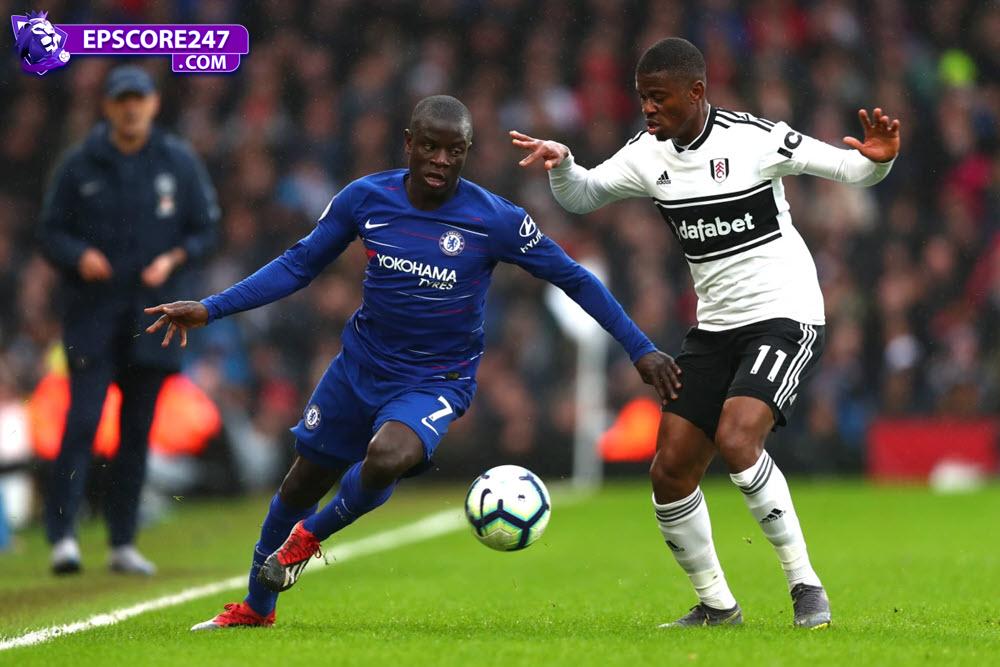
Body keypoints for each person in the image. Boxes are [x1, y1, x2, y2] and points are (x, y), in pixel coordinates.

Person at [144, 95, 680, 631]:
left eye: (454, 151)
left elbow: (576, 279)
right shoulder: (364, 198)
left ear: (467, 152)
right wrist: (211, 308)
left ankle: (308, 538)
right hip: (358, 368)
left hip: (435, 379)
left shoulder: (494, 219)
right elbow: (298, 265)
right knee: (299, 484)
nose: (441, 160)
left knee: (388, 455)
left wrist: (640, 347)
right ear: (409, 143)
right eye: (430, 146)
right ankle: (256, 609)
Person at [511, 37, 900, 629]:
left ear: (697, 92)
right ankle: (718, 606)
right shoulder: (646, 153)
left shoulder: (754, 139)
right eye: (642, 98)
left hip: (784, 312)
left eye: (659, 98)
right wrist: (563, 164)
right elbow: (584, 195)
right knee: (669, 472)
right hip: (715, 326)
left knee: (740, 439)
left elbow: (850, 167)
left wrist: (882, 159)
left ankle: (805, 586)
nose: (647, 110)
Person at [38, 65, 220, 575]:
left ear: (154, 104)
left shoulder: (177, 162)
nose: (131, 107)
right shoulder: (81, 164)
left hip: (153, 317)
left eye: (139, 98)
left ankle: (122, 540)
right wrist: (79, 255)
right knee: (82, 424)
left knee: (137, 433)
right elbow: (50, 232)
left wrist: (176, 257)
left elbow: (207, 228)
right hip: (93, 316)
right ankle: (63, 537)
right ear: (108, 107)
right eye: (122, 100)